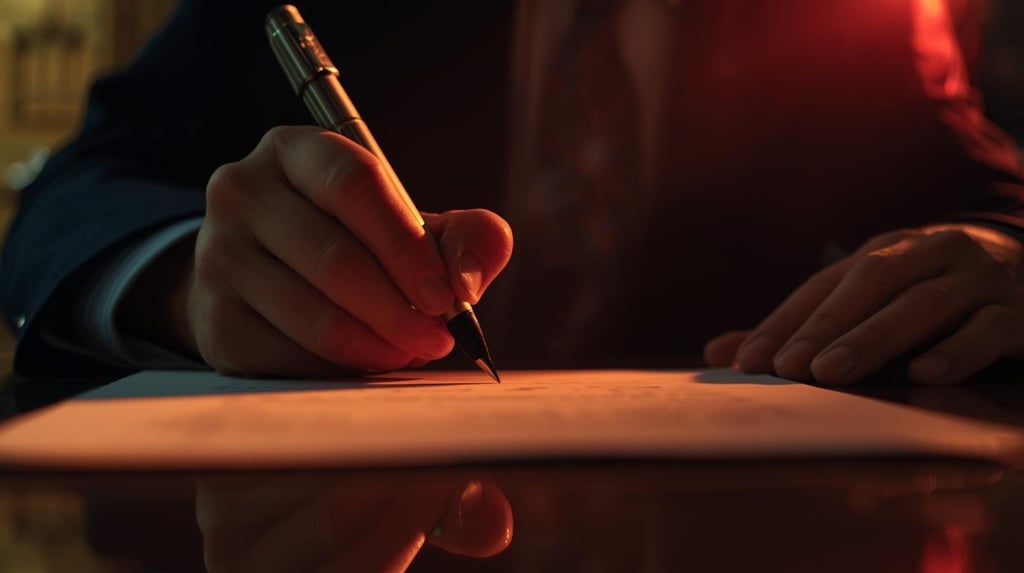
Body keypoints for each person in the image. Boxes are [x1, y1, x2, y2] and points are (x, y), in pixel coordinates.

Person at [2, 0, 1022, 385]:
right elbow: (75, 191)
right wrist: (189, 281)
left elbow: (985, 200)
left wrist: (1006, 256)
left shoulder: (842, 19)